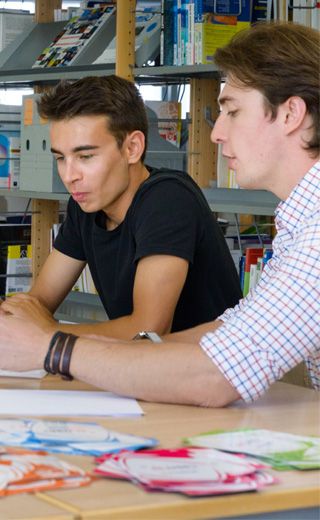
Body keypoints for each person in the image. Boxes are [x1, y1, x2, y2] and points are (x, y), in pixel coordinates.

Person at [0, 21, 319, 407]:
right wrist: (44, 338)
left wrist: (52, 346)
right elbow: (224, 333)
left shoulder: (315, 235)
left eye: (231, 111)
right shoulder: (298, 226)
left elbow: (215, 375)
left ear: (291, 114)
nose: (216, 133)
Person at [0, 75, 241, 340]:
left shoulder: (168, 199)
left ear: (132, 148)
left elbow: (149, 331)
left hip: (205, 374)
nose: (69, 176)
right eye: (60, 157)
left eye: (85, 156)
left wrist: (44, 333)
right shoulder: (85, 205)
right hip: (142, 373)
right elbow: (37, 304)